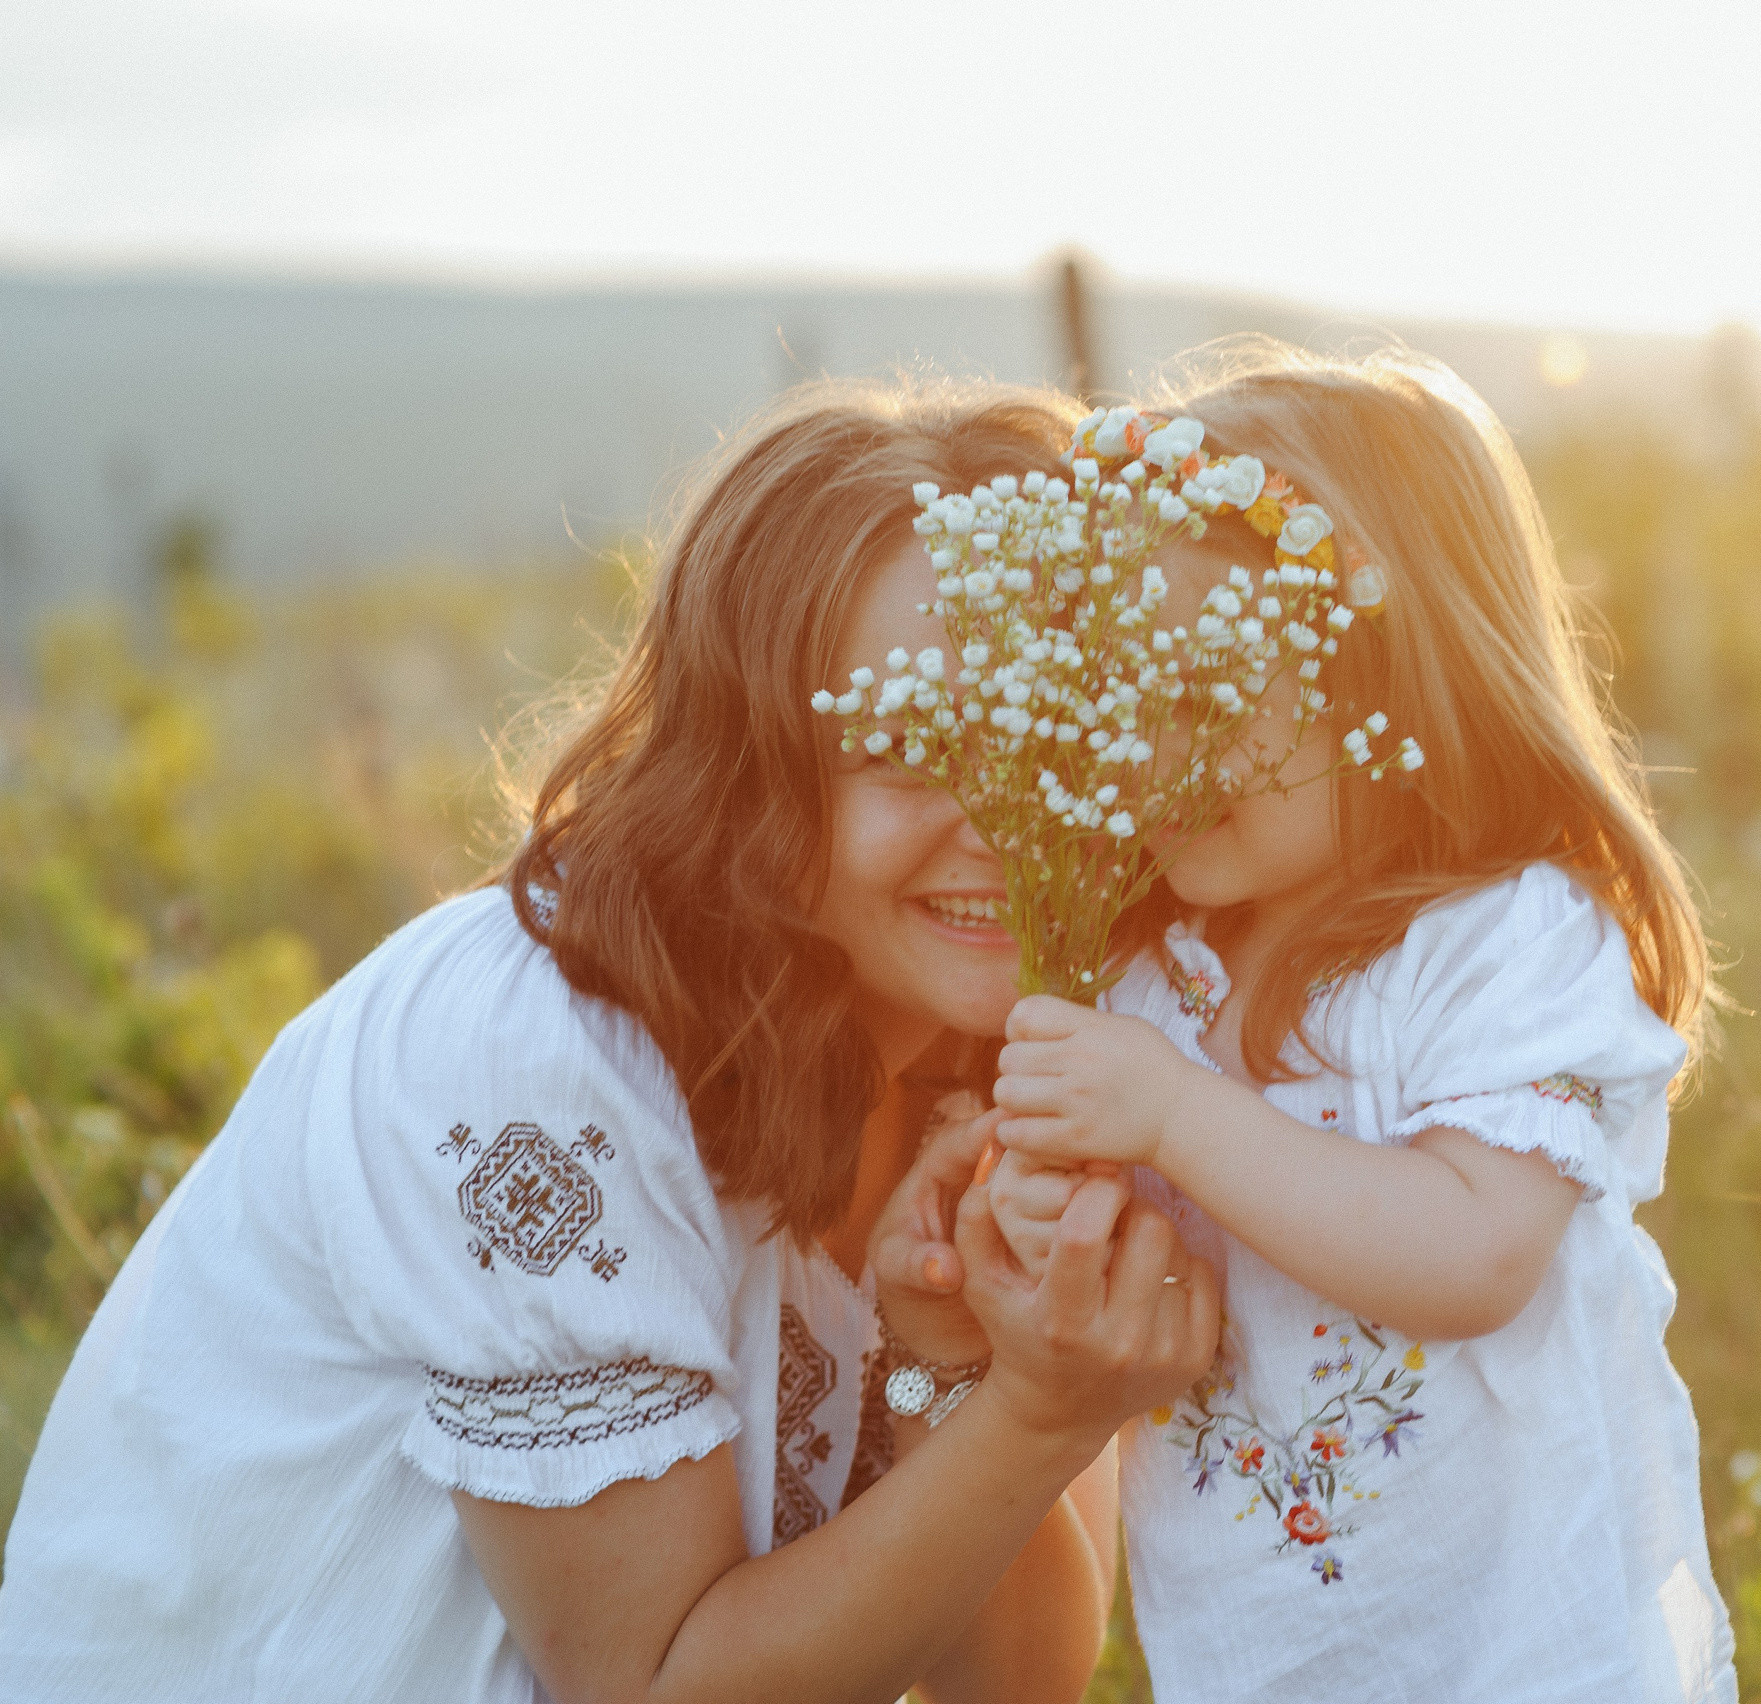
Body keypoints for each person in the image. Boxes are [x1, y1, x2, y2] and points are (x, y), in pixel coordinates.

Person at [0, 379, 1219, 1704]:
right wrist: (1038, 1413)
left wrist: (976, 1377)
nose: (1002, 826)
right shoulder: (540, 1059)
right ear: (750, 768)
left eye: (1051, 741)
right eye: (910, 751)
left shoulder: (1043, 1050)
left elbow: (1012, 1687)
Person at [985, 344, 1742, 1702]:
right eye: (1119, 699)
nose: (1149, 756)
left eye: (1205, 699)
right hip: (1260, 1658)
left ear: (1400, 678)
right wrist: (1049, 1216)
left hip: (1526, 1657)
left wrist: (1168, 1111)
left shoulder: (1504, 940)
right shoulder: (1151, 975)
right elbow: (1157, 1296)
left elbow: (1473, 1255)